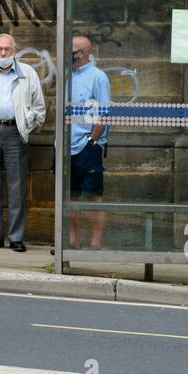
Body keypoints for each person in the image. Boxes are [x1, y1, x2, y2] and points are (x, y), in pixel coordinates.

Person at [0, 33, 45, 252]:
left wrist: (26, 123)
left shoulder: (28, 74)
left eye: (7, 49)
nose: (3, 53)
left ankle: (16, 237)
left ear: (15, 51)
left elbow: (39, 107)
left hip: (15, 133)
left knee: (17, 186)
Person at [68, 33, 111, 249]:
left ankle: (95, 242)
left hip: (87, 145)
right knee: (71, 196)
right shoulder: (68, 75)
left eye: (72, 50)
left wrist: (92, 141)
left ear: (82, 53)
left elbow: (103, 113)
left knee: (94, 195)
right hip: (67, 145)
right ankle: (71, 240)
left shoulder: (98, 77)